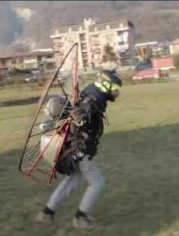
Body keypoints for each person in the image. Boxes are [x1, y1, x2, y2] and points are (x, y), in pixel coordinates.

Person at [35, 69, 122, 229]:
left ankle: (47, 213)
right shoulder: (93, 99)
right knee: (97, 183)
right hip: (80, 150)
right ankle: (80, 218)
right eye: (114, 88)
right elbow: (82, 113)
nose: (116, 92)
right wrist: (82, 115)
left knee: (72, 181)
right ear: (105, 85)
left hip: (75, 148)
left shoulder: (93, 93)